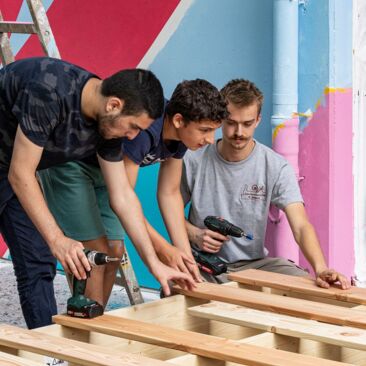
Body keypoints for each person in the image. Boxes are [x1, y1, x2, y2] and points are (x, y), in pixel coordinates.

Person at [0, 56, 194, 329]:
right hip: (15, 170)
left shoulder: (108, 128)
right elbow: (21, 173)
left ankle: (46, 350)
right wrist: (58, 239)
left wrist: (154, 262)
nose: (132, 137)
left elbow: (123, 196)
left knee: (38, 261)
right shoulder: (50, 90)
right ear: (114, 104)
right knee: (48, 247)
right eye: (134, 127)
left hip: (10, 168)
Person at [39, 79, 228, 306]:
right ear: (179, 120)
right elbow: (123, 198)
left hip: (106, 176)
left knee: (115, 252)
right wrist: (163, 249)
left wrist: (184, 256)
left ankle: (95, 312)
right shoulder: (147, 131)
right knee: (97, 252)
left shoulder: (182, 137)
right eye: (205, 130)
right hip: (73, 167)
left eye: (213, 131)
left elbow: (169, 194)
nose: (210, 139)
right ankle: (89, 325)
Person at [181, 78, 351, 289]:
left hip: (255, 265)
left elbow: (300, 225)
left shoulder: (276, 167)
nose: (239, 132)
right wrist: (194, 234)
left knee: (311, 287)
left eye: (247, 123)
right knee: (176, 288)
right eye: (231, 123)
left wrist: (321, 268)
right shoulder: (193, 159)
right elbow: (170, 212)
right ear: (221, 119)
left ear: (258, 120)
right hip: (204, 264)